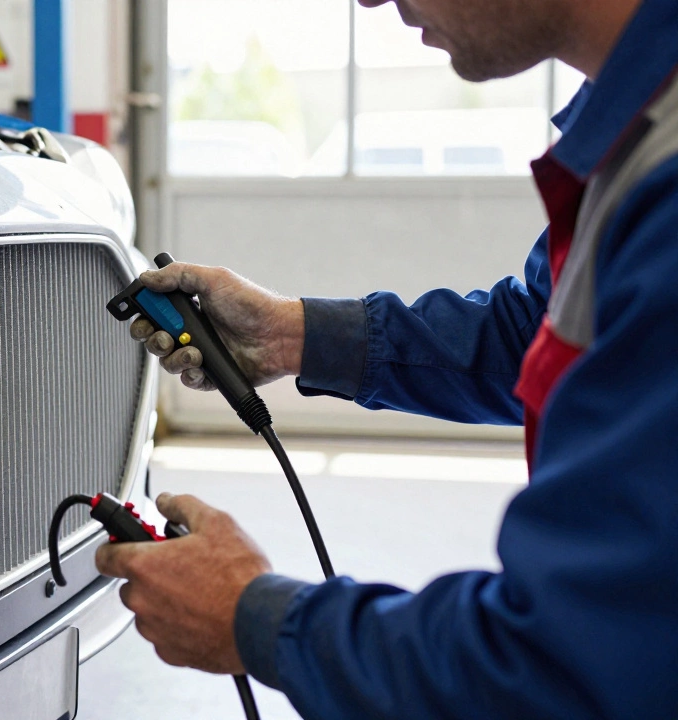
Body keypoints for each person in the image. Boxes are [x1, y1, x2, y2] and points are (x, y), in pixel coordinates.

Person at [95, 0, 678, 716]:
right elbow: (541, 333)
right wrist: (292, 335)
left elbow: (565, 663)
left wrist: (255, 616)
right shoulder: (638, 121)